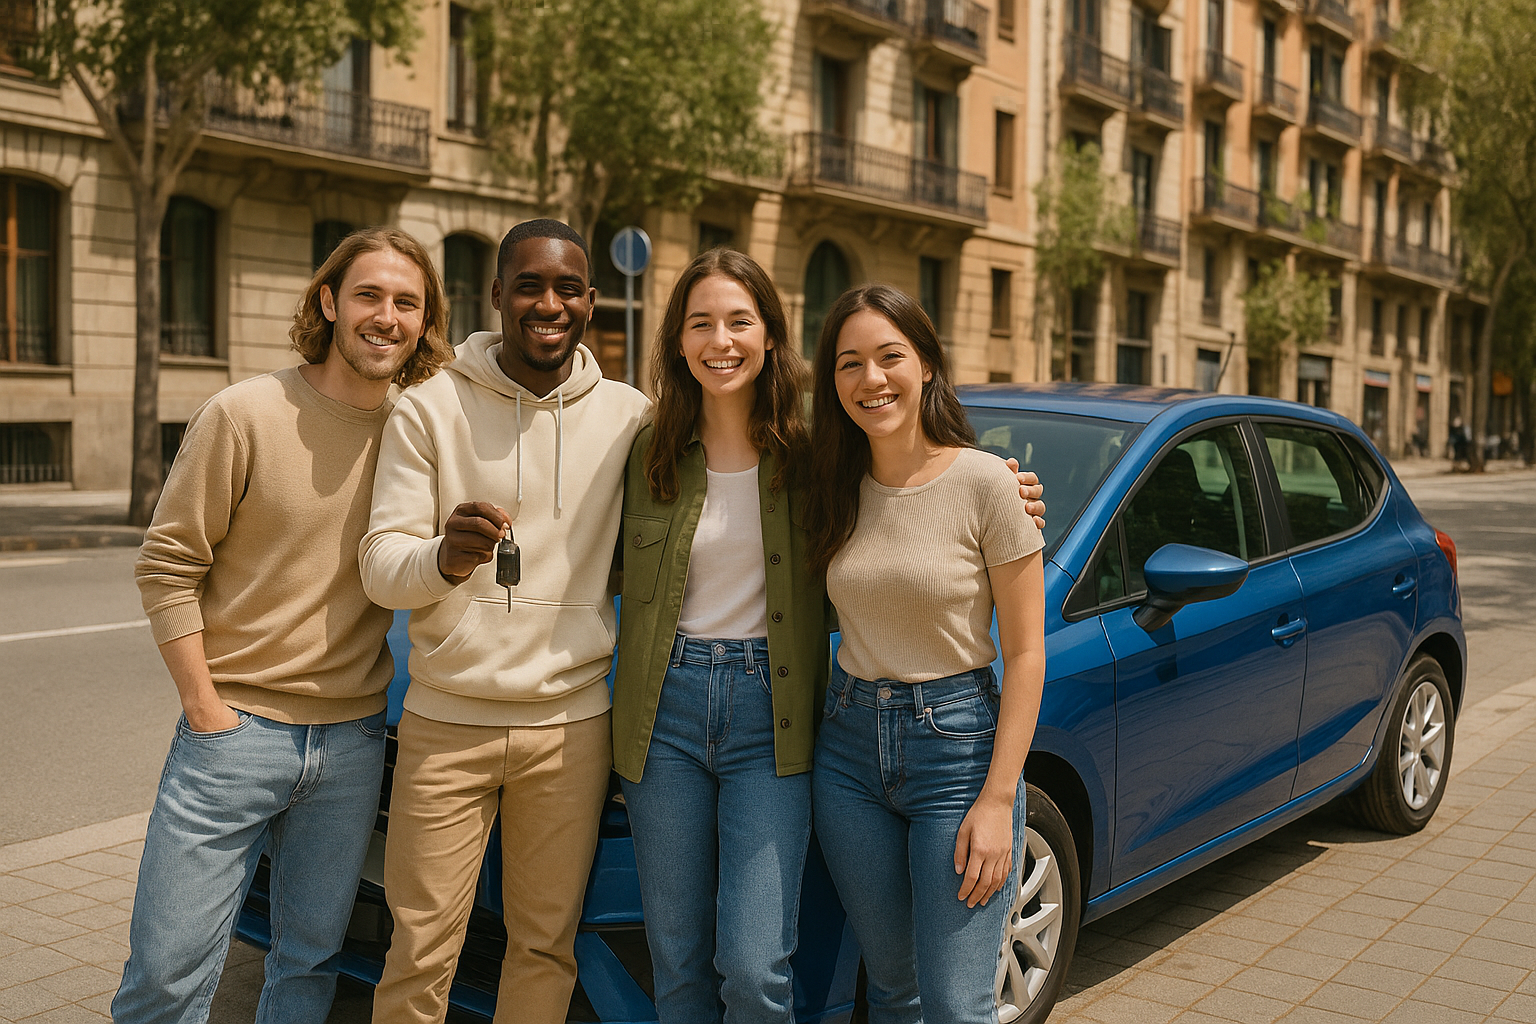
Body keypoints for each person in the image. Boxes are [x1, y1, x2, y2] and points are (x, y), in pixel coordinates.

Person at [611, 252, 1048, 1024]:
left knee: (757, 970)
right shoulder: (651, 452)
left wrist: (1009, 491)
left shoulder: (812, 463)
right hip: (690, 716)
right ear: (676, 340)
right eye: (701, 323)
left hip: (792, 718)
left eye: (741, 321)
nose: (721, 340)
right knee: (683, 964)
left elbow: (939, 534)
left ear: (772, 339)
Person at [117, 227, 452, 1024]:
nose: (387, 316)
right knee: (166, 978)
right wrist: (206, 708)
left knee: (308, 969)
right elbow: (167, 566)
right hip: (234, 738)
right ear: (330, 302)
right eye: (369, 295)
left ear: (424, 320)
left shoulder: (419, 436)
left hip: (352, 744)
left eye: (408, 302)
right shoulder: (244, 412)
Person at [359, 219, 651, 1024]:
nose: (547, 303)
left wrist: (974, 484)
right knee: (419, 951)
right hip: (445, 723)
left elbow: (737, 491)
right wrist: (444, 560)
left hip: (571, 727)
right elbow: (380, 565)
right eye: (528, 285)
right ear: (496, 296)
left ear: (592, 302)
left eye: (566, 288)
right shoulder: (427, 408)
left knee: (544, 948)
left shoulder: (632, 417)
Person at [805, 284, 1047, 1024]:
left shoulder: (986, 483)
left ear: (929, 367)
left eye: (889, 358)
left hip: (957, 754)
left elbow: (1028, 653)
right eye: (850, 364)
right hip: (846, 753)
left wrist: (999, 799)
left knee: (954, 1004)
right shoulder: (831, 485)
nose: (870, 379)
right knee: (892, 988)